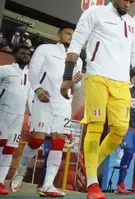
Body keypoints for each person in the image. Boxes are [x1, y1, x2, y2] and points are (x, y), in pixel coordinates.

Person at [60, 0, 135, 199]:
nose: (127, 4)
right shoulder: (94, 13)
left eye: (131, 1)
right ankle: (92, 183)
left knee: (119, 131)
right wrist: (67, 76)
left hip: (122, 83)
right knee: (96, 126)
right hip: (97, 77)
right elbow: (76, 43)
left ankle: (91, 161)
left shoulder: (132, 24)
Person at [9, 27, 83, 197]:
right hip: (44, 100)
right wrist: (38, 89)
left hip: (64, 104)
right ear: (59, 35)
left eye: (74, 35)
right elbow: (33, 71)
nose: (71, 37)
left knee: (58, 142)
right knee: (37, 139)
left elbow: (74, 86)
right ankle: (20, 171)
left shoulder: (78, 61)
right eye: (68, 34)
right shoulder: (45, 50)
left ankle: (48, 184)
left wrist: (76, 82)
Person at [0, 45, 32, 195]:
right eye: (22, 53)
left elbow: (32, 98)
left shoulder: (30, 75)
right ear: (14, 54)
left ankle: (0, 182)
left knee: (9, 150)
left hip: (18, 117)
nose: (25, 56)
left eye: (28, 54)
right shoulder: (4, 70)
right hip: (3, 114)